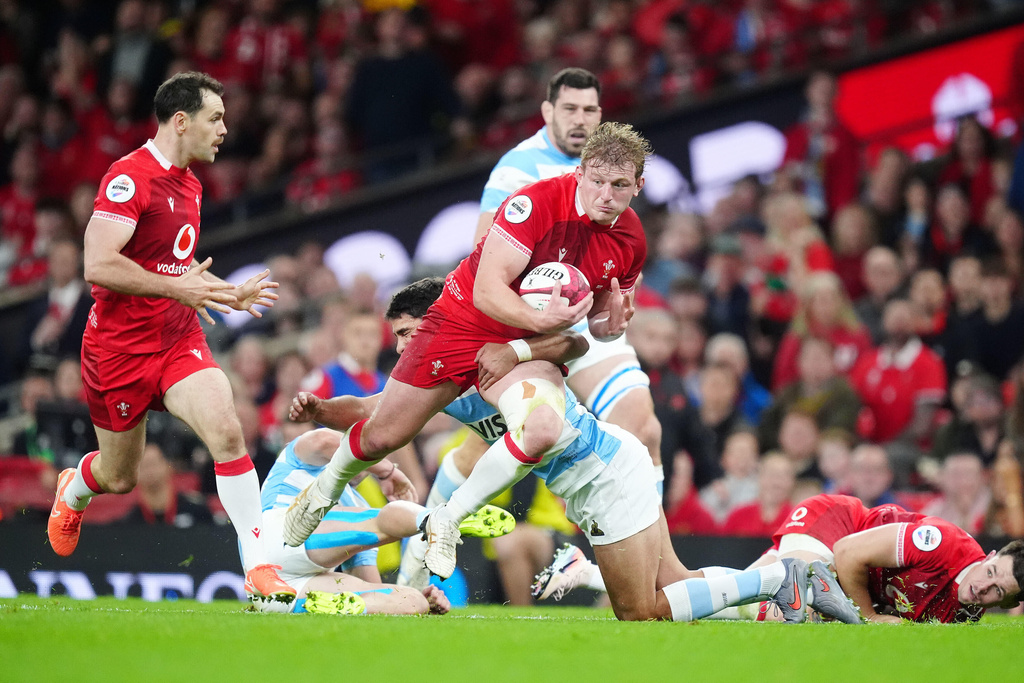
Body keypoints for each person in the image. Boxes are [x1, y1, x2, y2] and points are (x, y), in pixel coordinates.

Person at [292, 277, 823, 622]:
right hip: (599, 480)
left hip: (609, 474)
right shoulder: (439, 383)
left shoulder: (498, 360)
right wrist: (319, 410)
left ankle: (781, 578)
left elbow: (557, 384)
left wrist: (451, 514)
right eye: (398, 338)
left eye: (410, 332)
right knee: (672, 586)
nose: (403, 347)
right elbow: (370, 411)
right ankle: (781, 596)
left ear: (441, 320)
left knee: (642, 611)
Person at [284, 122, 649, 585]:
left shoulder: (632, 240)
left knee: (540, 427)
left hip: (522, 348)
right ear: (579, 172)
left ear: (638, 185)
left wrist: (609, 327)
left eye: (620, 185)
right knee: (383, 436)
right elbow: (486, 292)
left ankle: (448, 519)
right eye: (597, 180)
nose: (606, 194)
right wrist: (542, 322)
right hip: (461, 322)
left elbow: (591, 322)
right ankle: (324, 488)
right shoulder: (533, 204)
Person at [45, 72, 294, 605]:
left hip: (177, 340)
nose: (225, 129)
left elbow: (176, 270)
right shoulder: (128, 178)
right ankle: (76, 486)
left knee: (228, 432)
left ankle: (260, 568)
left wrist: (228, 293)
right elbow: (98, 264)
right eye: (215, 118)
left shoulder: (193, 184)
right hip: (117, 351)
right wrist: (174, 287)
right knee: (118, 477)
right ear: (181, 121)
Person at [473, 67, 663, 496]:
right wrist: (536, 312)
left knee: (643, 428)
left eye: (589, 109)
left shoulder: (612, 169)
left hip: (579, 321)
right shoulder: (518, 170)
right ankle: (430, 525)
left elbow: (614, 273)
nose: (580, 119)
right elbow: (482, 257)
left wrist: (607, 319)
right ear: (547, 111)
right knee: (482, 453)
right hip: (520, 322)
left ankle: (640, 555)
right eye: (569, 109)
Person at [255, 419, 514, 615]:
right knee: (379, 520)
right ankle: (437, 518)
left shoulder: (356, 503)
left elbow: (369, 582)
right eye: (366, 451)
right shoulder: (298, 459)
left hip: (283, 591)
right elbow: (324, 440)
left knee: (410, 601)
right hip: (275, 543)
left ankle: (318, 607)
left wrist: (423, 600)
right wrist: (387, 471)